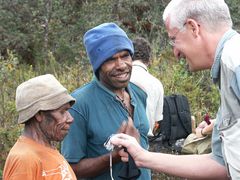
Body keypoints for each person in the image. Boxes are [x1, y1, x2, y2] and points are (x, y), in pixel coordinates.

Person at [110, 0, 240, 179]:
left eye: (173, 39)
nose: (175, 52)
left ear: (193, 28)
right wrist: (142, 157)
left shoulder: (235, 62)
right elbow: (219, 163)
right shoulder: (227, 70)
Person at [61, 22, 151, 179]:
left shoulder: (139, 93)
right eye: (110, 59)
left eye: (125, 56)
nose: (121, 65)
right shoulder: (79, 104)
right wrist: (113, 157)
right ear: (98, 65)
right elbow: (70, 169)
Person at [3, 74, 77, 180]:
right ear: (39, 114)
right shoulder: (25, 159)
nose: (70, 119)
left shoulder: (47, 149)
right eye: (62, 112)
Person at [130, 37, 164, 137]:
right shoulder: (157, 84)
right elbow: (157, 121)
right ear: (149, 60)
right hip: (147, 140)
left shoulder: (119, 80)